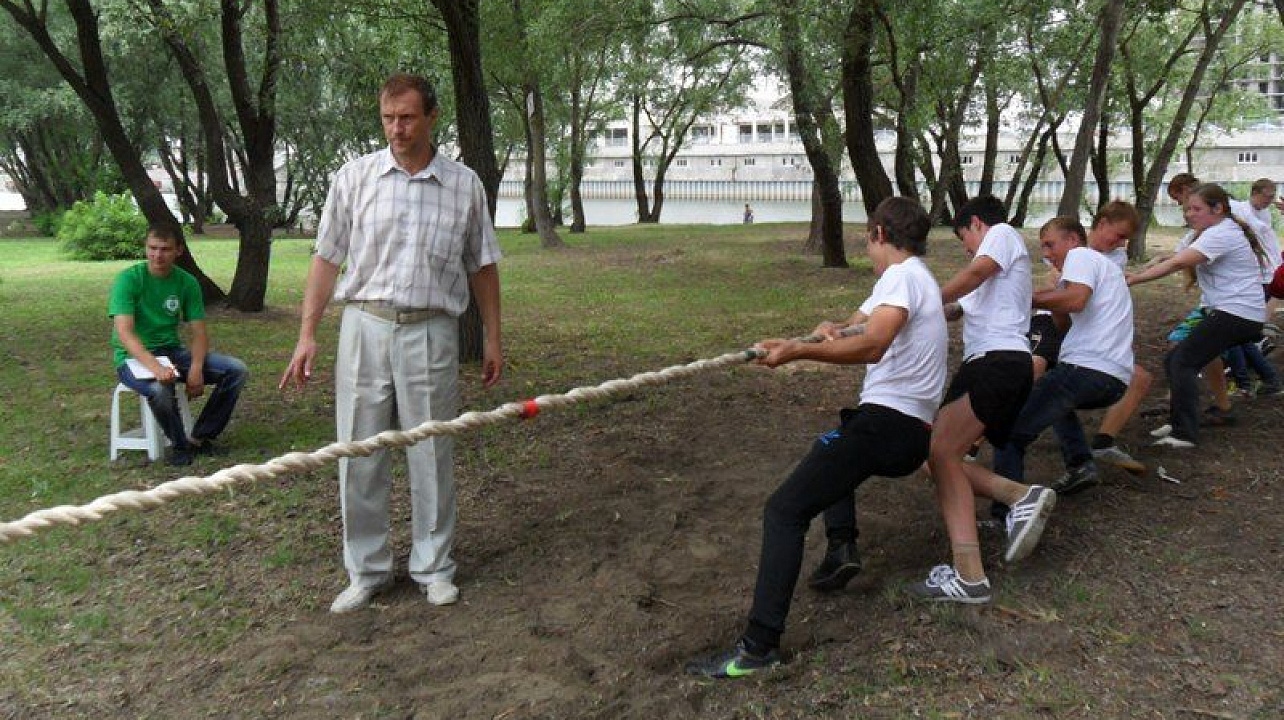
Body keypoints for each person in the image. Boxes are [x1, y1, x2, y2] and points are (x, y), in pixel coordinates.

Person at [684, 197, 946, 678]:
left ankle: (757, 649)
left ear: (879, 234)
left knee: (784, 510)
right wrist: (827, 331)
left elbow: (874, 342)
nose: (867, 249)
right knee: (830, 446)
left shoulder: (903, 276)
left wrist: (801, 351)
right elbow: (859, 325)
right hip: (899, 429)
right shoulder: (911, 278)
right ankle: (842, 547)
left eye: (867, 240)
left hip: (890, 425)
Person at [281, 74, 503, 614]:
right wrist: (307, 333)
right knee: (359, 452)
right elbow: (327, 257)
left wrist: (494, 336)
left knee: (430, 450)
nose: (396, 129)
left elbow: (484, 264)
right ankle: (367, 570)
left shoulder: (463, 184)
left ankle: (433, 567)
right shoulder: (354, 179)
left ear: (430, 118)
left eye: (406, 117)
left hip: (431, 329)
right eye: (387, 118)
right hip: (364, 326)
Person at [912, 194, 1051, 604]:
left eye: (963, 239)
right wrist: (901, 316)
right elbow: (956, 308)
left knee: (939, 454)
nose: (967, 248)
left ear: (976, 224)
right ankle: (1009, 507)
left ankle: (1014, 507)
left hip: (998, 362)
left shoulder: (1002, 235)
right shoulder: (992, 276)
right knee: (936, 457)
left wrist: (925, 298)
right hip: (989, 364)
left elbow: (974, 273)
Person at [989, 217, 1134, 498]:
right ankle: (1080, 462)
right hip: (1112, 378)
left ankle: (1006, 511)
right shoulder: (1098, 268)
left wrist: (1022, 298)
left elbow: (1076, 300)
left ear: (1073, 240)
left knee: (1006, 432)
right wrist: (1052, 299)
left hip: (1088, 368)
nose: (1045, 253)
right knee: (1052, 393)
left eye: (1049, 244)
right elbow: (1065, 324)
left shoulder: (1081, 255)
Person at [1128, 183, 1269, 448]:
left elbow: (1180, 262)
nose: (1189, 214)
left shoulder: (1222, 232)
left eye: (1196, 209)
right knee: (1176, 359)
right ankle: (1184, 418)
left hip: (1238, 313)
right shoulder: (1216, 230)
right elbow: (1178, 256)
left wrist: (1134, 279)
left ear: (1218, 208)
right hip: (1234, 311)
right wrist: (1154, 262)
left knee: (1182, 361)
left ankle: (1184, 434)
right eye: (1187, 208)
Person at [109, 225, 248, 467]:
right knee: (160, 390)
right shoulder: (129, 280)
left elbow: (200, 332)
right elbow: (125, 333)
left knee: (236, 370)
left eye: (165, 249)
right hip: (133, 359)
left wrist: (195, 369)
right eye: (152, 248)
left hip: (172, 352)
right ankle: (180, 447)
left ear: (178, 251)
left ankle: (201, 437)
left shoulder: (187, 283)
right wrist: (156, 369)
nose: (158, 255)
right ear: (146, 248)